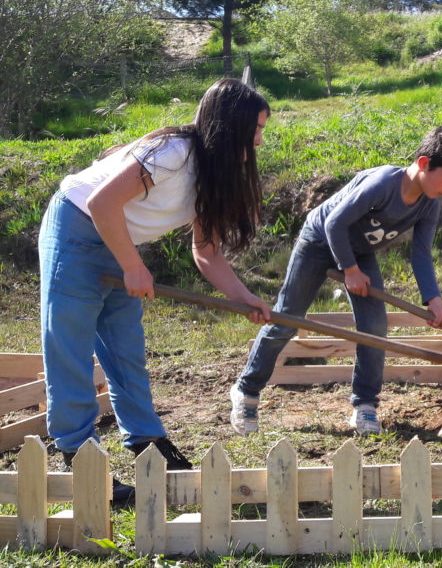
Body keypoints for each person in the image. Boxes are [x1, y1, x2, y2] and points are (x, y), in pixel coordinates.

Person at [39, 78, 271, 500]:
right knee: (69, 346)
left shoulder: (217, 173)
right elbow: (100, 203)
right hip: (76, 229)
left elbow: (207, 253)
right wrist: (133, 266)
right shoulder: (175, 152)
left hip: (118, 239)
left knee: (125, 349)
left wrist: (243, 296)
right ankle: (78, 454)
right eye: (253, 129)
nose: (257, 140)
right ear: (229, 125)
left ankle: (147, 444)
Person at [231, 125, 442, 437]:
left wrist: (433, 299)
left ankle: (365, 405)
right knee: (286, 318)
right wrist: (349, 269)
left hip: (358, 252)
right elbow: (334, 222)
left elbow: (421, 255)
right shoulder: (382, 184)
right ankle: (246, 391)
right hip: (319, 241)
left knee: (374, 327)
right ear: (425, 163)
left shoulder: (429, 204)